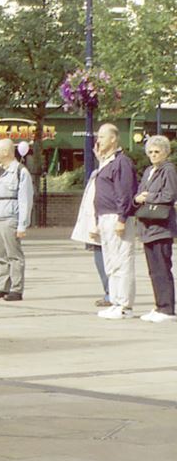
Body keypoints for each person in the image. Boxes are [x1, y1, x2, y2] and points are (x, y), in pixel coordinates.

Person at [94, 124, 139, 319]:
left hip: (116, 216)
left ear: (113, 139)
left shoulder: (121, 162)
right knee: (110, 262)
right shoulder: (105, 162)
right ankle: (115, 300)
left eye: (102, 137)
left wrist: (122, 217)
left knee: (122, 260)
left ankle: (124, 306)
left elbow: (125, 192)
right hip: (105, 216)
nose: (98, 140)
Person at [133, 136, 177, 322]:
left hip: (162, 226)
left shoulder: (169, 170)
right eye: (150, 152)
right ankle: (159, 305)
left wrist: (148, 197)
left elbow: (170, 194)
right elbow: (139, 192)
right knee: (153, 269)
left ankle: (167, 308)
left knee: (162, 267)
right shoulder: (149, 171)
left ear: (166, 152)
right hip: (147, 226)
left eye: (157, 151)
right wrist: (137, 199)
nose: (153, 155)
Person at [0, 139, 34, 301]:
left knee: (14, 255)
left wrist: (22, 225)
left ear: (7, 151)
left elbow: (25, 200)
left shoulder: (20, 171)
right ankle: (2, 286)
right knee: (0, 254)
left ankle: (16, 289)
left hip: (10, 217)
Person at [71, 140, 110, 306]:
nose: (97, 151)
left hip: (103, 222)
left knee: (106, 261)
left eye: (100, 148)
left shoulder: (109, 170)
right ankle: (109, 292)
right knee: (99, 259)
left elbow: (103, 199)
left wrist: (96, 223)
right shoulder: (97, 172)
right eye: (96, 148)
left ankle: (112, 294)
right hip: (94, 224)